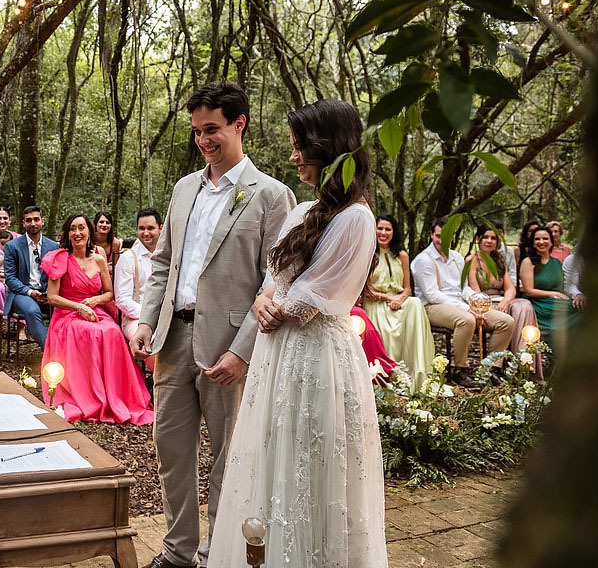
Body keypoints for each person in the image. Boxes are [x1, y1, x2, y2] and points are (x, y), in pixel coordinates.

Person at [207, 99, 385, 568]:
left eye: (299, 147)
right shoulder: (302, 210)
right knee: (271, 456)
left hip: (317, 358)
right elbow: (272, 281)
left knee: (310, 465)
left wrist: (276, 305)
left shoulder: (357, 218)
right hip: (276, 356)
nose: (293, 157)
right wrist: (264, 301)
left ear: (327, 146)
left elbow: (312, 298)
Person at [129, 81, 294, 568]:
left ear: (239, 123)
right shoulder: (184, 189)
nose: (204, 140)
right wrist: (146, 320)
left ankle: (218, 552)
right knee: (171, 449)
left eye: (213, 129)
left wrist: (243, 350)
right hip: (173, 339)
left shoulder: (271, 196)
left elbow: (277, 280)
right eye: (197, 131)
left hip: (230, 346)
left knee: (229, 456)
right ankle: (178, 551)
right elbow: (164, 263)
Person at [41, 213, 153, 424]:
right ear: (67, 233)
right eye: (73, 229)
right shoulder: (59, 259)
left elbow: (110, 293)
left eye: (81, 228)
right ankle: (88, 394)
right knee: (91, 332)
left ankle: (114, 393)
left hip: (94, 309)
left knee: (111, 331)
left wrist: (94, 300)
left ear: (89, 232)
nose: (77, 233)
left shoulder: (99, 260)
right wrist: (78, 307)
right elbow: (52, 297)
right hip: (67, 314)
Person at [412, 218, 514, 387]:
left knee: (506, 322)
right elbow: (432, 295)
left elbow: (464, 288)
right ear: (431, 235)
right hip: (433, 307)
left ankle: (491, 369)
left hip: (460, 303)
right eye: (438, 236)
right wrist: (467, 309)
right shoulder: (424, 260)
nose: (442, 240)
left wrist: (476, 301)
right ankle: (459, 370)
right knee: (467, 320)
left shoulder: (457, 257)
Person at [363, 214, 434, 391]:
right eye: (380, 228)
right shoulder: (367, 254)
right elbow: (364, 290)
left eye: (388, 229)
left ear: (394, 232)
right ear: (374, 230)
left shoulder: (401, 255)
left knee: (415, 304)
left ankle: (416, 374)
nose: (383, 233)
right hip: (376, 302)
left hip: (399, 301)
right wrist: (388, 298)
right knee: (384, 325)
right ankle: (389, 377)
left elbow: (407, 288)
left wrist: (400, 299)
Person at [467, 223, 544, 381]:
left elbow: (510, 288)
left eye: (493, 238)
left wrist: (505, 302)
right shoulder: (472, 260)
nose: (489, 241)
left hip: (501, 300)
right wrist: (492, 304)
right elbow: (474, 290)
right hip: (481, 303)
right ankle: (495, 366)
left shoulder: (498, 260)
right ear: (478, 239)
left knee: (524, 305)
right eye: (486, 237)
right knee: (510, 313)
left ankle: (523, 362)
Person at [521, 224, 582, 365]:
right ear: (532, 242)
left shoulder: (556, 262)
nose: (541, 242)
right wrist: (554, 294)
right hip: (536, 303)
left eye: (545, 238)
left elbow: (562, 287)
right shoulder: (528, 262)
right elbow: (529, 290)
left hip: (554, 302)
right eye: (537, 239)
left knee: (580, 310)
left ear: (551, 241)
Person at [3, 205, 58, 346]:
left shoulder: (53, 247)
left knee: (64, 309)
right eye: (29, 220)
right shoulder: (12, 246)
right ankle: (51, 351)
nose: (33, 223)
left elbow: (57, 274)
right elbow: (10, 278)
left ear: (42, 221)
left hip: (47, 293)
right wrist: (30, 292)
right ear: (23, 223)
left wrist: (50, 293)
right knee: (32, 310)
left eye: (36, 219)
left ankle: (66, 347)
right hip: (22, 294)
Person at [114, 208, 163, 345]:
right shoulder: (128, 258)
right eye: (141, 228)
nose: (145, 233)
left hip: (167, 318)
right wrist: (150, 316)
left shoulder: (169, 256)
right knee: (153, 343)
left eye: (150, 228)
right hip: (135, 319)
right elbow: (122, 300)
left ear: (161, 228)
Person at [513, 221, 541, 285]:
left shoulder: (543, 249)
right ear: (526, 233)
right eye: (531, 231)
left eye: (536, 230)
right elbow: (515, 271)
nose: (534, 233)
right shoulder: (518, 249)